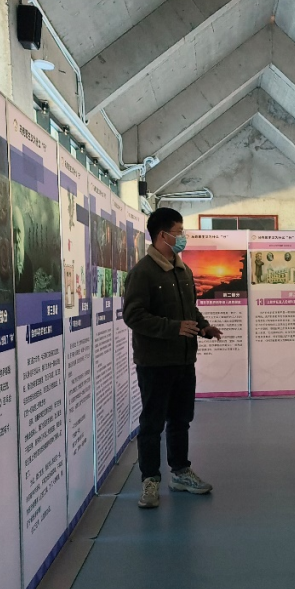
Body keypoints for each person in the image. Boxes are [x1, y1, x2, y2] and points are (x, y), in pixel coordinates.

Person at [123, 207, 223, 509]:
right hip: (154, 363)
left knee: (181, 420)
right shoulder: (142, 272)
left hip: (184, 360)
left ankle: (180, 472)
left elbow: (189, 309)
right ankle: (150, 480)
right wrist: (173, 328)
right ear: (163, 235)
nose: (183, 238)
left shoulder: (183, 271)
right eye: (179, 232)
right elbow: (133, 315)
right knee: (152, 424)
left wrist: (203, 326)